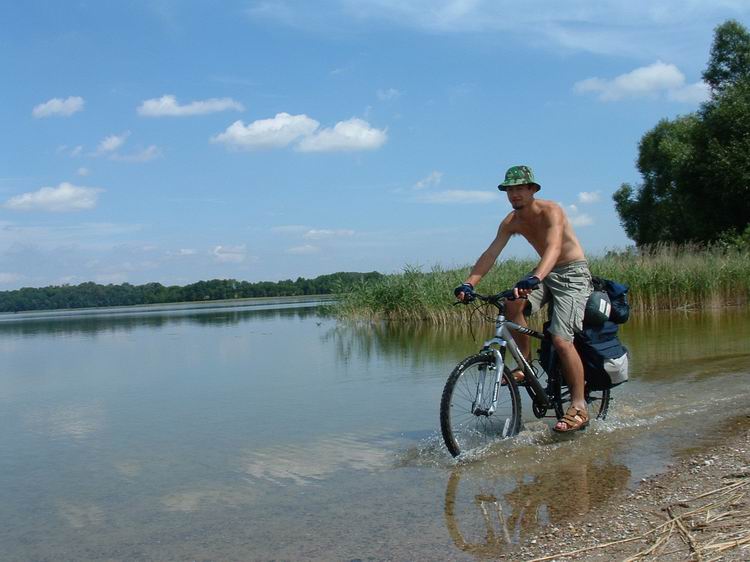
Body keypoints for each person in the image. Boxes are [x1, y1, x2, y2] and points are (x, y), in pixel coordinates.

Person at [453, 165, 593, 432]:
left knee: (561, 339)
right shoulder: (511, 222)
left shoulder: (552, 210)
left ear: (532, 189)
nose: (514, 194)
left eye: (519, 188)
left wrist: (536, 277)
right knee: (511, 303)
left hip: (571, 273)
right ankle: (525, 365)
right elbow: (491, 253)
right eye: (509, 189)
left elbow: (553, 248)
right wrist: (469, 283)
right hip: (543, 273)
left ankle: (579, 406)